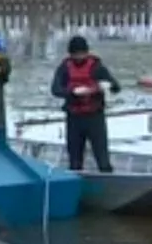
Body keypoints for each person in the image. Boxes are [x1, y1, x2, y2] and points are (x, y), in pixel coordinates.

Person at [49, 35, 120, 172]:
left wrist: (103, 87)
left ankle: (107, 182)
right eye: (76, 54)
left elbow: (116, 87)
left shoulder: (97, 67)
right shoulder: (65, 67)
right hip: (74, 118)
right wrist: (72, 92)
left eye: (82, 53)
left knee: (103, 159)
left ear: (87, 52)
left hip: (95, 117)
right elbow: (55, 89)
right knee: (75, 161)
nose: (79, 57)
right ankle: (76, 183)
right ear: (70, 54)